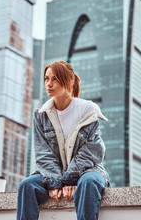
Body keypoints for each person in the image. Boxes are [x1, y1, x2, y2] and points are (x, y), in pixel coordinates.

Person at [17, 60, 110, 220]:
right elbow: (43, 153)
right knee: (26, 185)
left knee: (88, 183)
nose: (49, 84)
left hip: (88, 170)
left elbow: (93, 150)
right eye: (46, 79)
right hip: (54, 173)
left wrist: (69, 179)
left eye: (55, 79)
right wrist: (55, 181)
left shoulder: (88, 109)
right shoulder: (41, 114)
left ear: (69, 80)